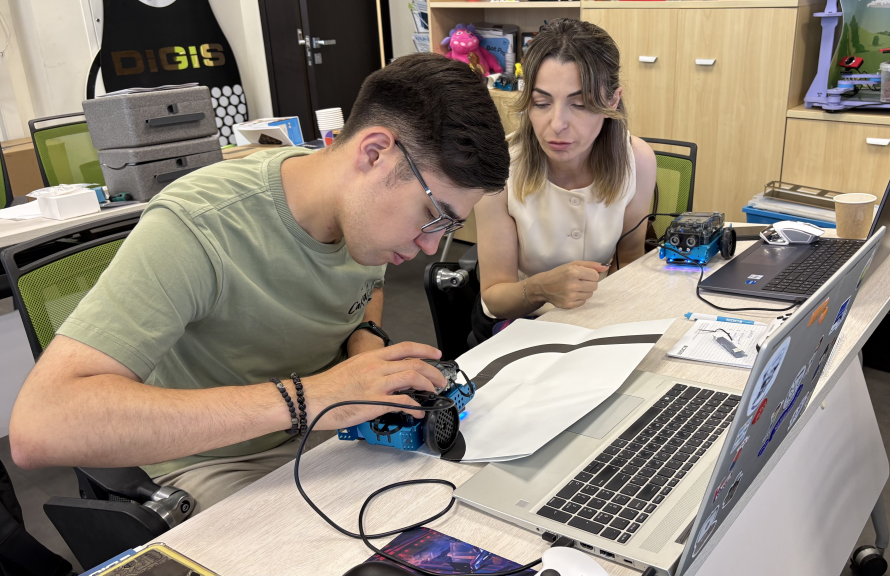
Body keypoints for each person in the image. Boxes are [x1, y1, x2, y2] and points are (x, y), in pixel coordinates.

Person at [8, 53, 509, 512]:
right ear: (375, 154)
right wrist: (310, 396)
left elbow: (367, 289)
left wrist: (364, 337)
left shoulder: (365, 221)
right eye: (432, 215)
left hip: (327, 430)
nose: (429, 247)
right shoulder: (199, 225)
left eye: (447, 227)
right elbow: (41, 425)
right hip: (221, 460)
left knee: (475, 506)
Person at [474, 18, 656, 339]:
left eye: (580, 104)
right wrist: (540, 288)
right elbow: (494, 297)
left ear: (612, 100)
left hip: (598, 315)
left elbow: (628, 261)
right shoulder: (501, 168)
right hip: (522, 319)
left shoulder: (637, 160)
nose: (557, 124)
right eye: (541, 103)